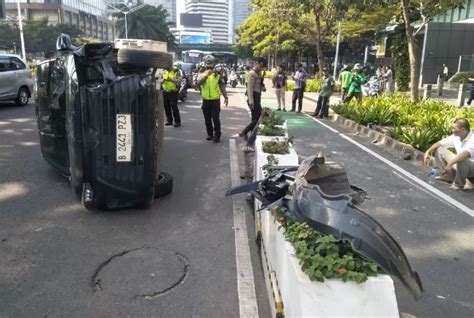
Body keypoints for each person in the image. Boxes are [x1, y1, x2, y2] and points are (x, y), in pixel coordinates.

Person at [423, 119, 474, 190]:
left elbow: (464, 154)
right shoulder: (456, 136)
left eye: (454, 128)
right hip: (460, 164)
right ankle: (447, 175)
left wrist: (450, 164)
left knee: (462, 159)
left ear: (462, 129)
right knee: (440, 149)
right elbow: (440, 143)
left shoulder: (472, 139)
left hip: (471, 168)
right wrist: (428, 151)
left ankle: (459, 184)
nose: (452, 130)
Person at [197, 55, 228, 143]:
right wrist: (206, 75)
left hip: (215, 100)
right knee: (207, 119)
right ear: (205, 64)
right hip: (205, 100)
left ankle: (217, 135)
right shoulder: (201, 73)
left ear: (214, 64)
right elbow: (198, 83)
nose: (209, 65)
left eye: (211, 64)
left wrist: (226, 97)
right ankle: (210, 134)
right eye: (208, 63)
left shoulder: (217, 74)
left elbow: (222, 85)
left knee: (215, 118)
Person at [238, 57, 267, 145]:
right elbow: (249, 88)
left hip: (257, 96)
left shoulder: (259, 74)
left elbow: (261, 87)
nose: (261, 68)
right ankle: (244, 132)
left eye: (263, 67)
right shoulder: (252, 73)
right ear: (257, 63)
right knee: (258, 118)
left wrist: (263, 86)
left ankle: (250, 137)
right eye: (261, 66)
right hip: (253, 97)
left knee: (255, 118)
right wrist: (251, 101)